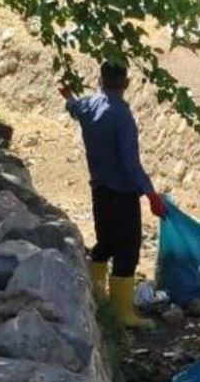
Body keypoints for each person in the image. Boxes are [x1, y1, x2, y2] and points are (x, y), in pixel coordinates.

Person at [60, 62, 166, 329]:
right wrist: (150, 193)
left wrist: (68, 96)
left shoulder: (89, 105)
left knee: (104, 243)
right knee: (127, 250)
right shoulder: (122, 116)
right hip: (122, 193)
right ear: (127, 83)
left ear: (100, 80)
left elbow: (74, 107)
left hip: (100, 190)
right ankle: (123, 314)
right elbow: (130, 162)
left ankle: (96, 300)